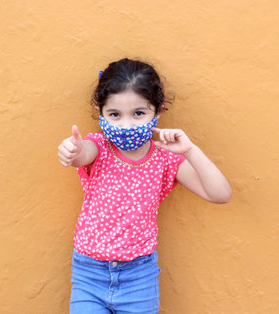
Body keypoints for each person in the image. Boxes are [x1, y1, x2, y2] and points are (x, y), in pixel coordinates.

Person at [57, 58, 231, 313]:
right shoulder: (98, 146)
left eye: (138, 113)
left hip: (139, 277)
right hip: (88, 274)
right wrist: (72, 152)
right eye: (114, 114)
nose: (126, 126)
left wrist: (190, 151)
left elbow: (220, 194)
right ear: (99, 112)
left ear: (158, 111)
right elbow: (81, 155)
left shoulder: (166, 158)